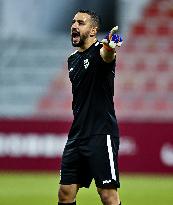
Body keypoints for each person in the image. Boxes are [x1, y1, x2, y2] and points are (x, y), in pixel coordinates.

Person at [58, 9, 123, 205]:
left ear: (93, 30)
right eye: (73, 22)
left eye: (80, 23)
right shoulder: (72, 59)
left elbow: (107, 54)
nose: (74, 26)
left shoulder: (99, 52)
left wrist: (111, 46)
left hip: (100, 134)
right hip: (77, 135)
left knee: (107, 195)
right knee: (65, 193)